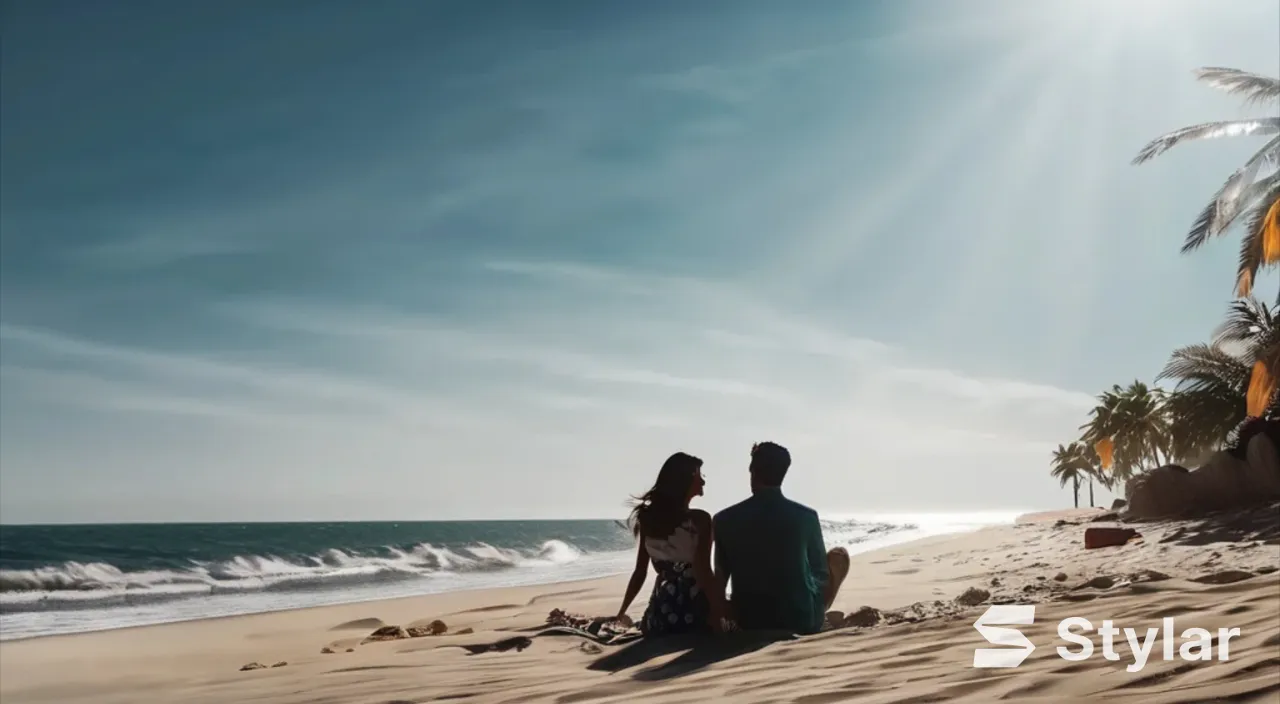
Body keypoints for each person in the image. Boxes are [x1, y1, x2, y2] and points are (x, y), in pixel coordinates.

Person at [713, 442, 849, 635]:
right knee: (838, 556)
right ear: (784, 472)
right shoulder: (807, 516)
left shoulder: (723, 519)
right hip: (800, 619)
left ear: (751, 469)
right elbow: (820, 575)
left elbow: (720, 579)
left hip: (748, 620)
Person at [614, 452, 728, 635]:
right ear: (686, 480)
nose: (703, 482)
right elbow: (703, 571)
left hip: (661, 614)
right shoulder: (700, 520)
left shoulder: (649, 519)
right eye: (700, 476)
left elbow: (640, 572)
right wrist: (718, 613)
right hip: (693, 610)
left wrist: (621, 612)